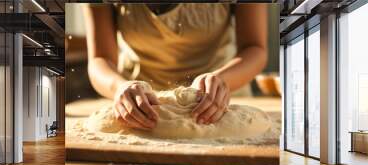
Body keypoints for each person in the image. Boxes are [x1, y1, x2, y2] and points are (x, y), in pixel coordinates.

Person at [83, 3, 268, 130]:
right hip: (140, 107)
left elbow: (255, 48)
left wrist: (222, 80)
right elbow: (101, 58)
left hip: (219, 102)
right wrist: (119, 87)